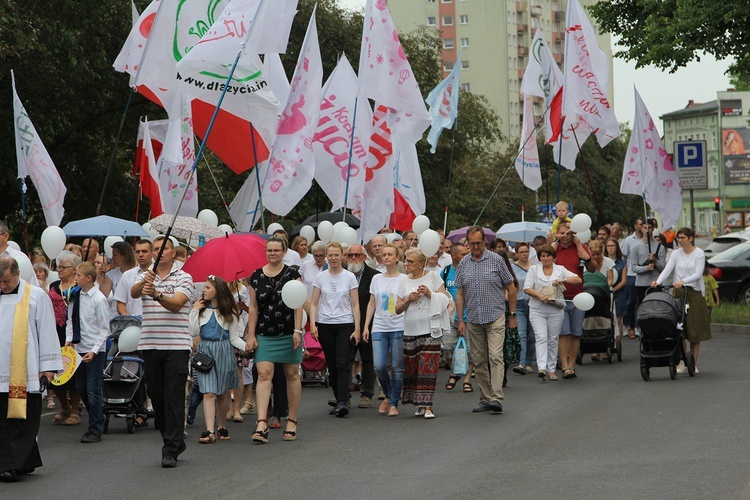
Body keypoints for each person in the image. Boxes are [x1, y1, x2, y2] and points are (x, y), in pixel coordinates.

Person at [131, 236, 194, 468]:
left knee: (173, 398)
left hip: (176, 346)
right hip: (150, 345)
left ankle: (170, 448)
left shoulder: (184, 277)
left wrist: (157, 293)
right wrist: (145, 282)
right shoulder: (145, 274)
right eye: (155, 249)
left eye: (163, 249)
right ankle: (174, 441)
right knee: (156, 397)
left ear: (172, 252)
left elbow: (177, 304)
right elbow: (134, 293)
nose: (159, 253)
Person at [0, 256, 62, 482]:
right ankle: (24, 460)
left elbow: (46, 331)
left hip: (24, 370)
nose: (3, 286)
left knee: (21, 419)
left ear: (17, 274)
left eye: (6, 281)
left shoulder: (36, 296)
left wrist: (48, 368)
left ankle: (9, 465)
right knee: (3, 419)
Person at [246, 236, 304, 442]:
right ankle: (262, 422)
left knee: (291, 375)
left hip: (288, 332)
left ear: (284, 251)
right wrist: (251, 335)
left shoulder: (293, 274)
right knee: (263, 374)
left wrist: (298, 330)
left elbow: (299, 304)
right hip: (265, 333)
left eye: (276, 250)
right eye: (269, 250)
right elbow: (253, 307)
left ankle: (292, 420)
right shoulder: (255, 276)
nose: (272, 253)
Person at [456, 226, 517, 414]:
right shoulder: (463, 263)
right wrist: (460, 320)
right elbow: (459, 293)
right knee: (479, 360)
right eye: (472, 243)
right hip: (474, 318)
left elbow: (512, 288)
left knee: (496, 356)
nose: (476, 246)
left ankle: (497, 398)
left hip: (495, 316)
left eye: (479, 243)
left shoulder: (497, 260)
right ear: (467, 243)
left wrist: (513, 315)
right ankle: (485, 397)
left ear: (485, 242)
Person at [189, 276, 246, 444]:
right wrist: (194, 310)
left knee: (222, 393)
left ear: (218, 291)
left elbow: (234, 337)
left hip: (224, 351)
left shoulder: (230, 312)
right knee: (208, 392)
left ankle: (221, 426)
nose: (204, 290)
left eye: (207, 287)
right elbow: (192, 332)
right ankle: (209, 429)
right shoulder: (201, 310)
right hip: (205, 351)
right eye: (204, 287)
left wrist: (247, 347)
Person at [396, 248, 450, 419]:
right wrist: (407, 300)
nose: (407, 264)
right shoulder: (403, 281)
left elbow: (446, 299)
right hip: (410, 330)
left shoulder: (433, 277)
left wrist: (430, 294)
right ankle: (418, 403)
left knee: (428, 367)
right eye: (406, 261)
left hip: (430, 329)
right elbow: (396, 309)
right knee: (412, 368)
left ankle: (427, 405)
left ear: (421, 263)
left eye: (410, 261)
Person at [309, 242, 360, 417]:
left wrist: (358, 328)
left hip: (345, 323)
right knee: (331, 364)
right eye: (330, 255)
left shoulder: (349, 277)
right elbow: (314, 302)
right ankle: (339, 397)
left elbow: (355, 304)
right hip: (325, 324)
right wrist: (313, 324)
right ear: (326, 257)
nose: (333, 258)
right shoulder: (320, 277)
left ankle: (342, 401)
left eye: (336, 255)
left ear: (342, 256)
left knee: (342, 362)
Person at [652, 227, 712, 374]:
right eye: (678, 238)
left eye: (683, 237)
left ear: (690, 238)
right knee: (680, 328)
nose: (680, 240)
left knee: (694, 329)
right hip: (679, 292)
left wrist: (683, 281)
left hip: (694, 292)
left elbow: (698, 274)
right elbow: (668, 269)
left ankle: (693, 363)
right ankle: (682, 361)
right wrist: (658, 281)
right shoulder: (676, 254)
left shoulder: (698, 253)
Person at [65, 262, 110, 443]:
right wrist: (69, 340)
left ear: (89, 278)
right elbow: (70, 321)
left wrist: (94, 350)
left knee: (93, 390)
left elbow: (103, 328)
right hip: (78, 348)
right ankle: (97, 416)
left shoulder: (99, 299)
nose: (75, 278)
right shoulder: (76, 296)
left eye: (78, 275)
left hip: (94, 350)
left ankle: (94, 428)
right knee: (81, 388)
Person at [523, 245, 582, 380]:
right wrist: (539, 295)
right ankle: (542, 367)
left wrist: (563, 279)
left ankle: (551, 369)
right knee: (541, 337)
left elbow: (577, 279)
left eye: (548, 255)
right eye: (543, 256)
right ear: (539, 258)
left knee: (553, 339)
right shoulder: (534, 269)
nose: (546, 258)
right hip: (538, 308)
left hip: (555, 308)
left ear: (553, 257)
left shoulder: (560, 269)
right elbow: (527, 288)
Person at [363, 244, 405, 416]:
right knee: (379, 366)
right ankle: (388, 395)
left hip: (398, 325)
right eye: (384, 254)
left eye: (390, 254)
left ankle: (394, 402)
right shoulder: (377, 279)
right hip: (379, 326)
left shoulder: (404, 279)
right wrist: (366, 326)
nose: (386, 257)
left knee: (396, 367)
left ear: (397, 257)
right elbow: (372, 303)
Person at [551, 221, 596, 378]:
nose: (565, 237)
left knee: (575, 333)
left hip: (578, 296)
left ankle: (572, 365)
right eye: (562, 233)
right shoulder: (555, 249)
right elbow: (544, 260)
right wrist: (555, 243)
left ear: (574, 234)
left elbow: (592, 268)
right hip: (560, 297)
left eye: (568, 233)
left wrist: (584, 254)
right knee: (563, 333)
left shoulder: (580, 247)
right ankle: (564, 366)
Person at [47, 251, 83, 426]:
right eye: (58, 267)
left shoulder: (80, 286)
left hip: (73, 331)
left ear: (74, 269)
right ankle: (65, 406)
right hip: (54, 331)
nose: (59, 270)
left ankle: (75, 410)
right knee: (54, 373)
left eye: (63, 267)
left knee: (73, 372)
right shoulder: (54, 285)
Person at [347, 244, 379, 409]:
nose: (353, 258)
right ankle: (342, 395)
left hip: (368, 324)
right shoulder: (341, 275)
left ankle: (367, 394)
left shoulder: (374, 276)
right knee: (345, 360)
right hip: (346, 324)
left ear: (364, 257)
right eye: (350, 255)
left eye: (357, 255)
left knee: (368, 359)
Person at [440, 243, 473, 392]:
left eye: (467, 254)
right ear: (453, 255)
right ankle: (455, 370)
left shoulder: (472, 270)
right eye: (463, 254)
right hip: (450, 318)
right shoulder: (446, 271)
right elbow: (439, 291)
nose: (466, 256)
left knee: (472, 352)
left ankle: (467, 379)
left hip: (470, 317)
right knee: (447, 347)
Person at [629, 221, 666, 314]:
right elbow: (633, 268)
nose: (647, 230)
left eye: (649, 227)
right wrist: (646, 268)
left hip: (655, 284)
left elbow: (663, 269)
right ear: (641, 229)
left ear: (653, 229)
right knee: (642, 308)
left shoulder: (660, 247)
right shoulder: (635, 247)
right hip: (641, 284)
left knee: (655, 309)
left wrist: (655, 260)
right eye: (645, 228)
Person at [511, 243, 536, 375]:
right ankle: (521, 362)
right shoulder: (513, 268)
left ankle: (528, 362)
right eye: (521, 252)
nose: (524, 254)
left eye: (526, 251)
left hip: (533, 303)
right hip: (519, 303)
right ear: (516, 254)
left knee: (531, 336)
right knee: (522, 334)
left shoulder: (535, 267)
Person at [115, 239, 153, 316]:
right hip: (134, 322)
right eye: (137, 252)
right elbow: (120, 303)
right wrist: (128, 318)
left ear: (152, 253)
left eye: (144, 251)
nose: (141, 255)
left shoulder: (160, 273)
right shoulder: (127, 275)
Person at [621, 217, 645, 338]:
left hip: (644, 275)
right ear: (635, 226)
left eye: (644, 225)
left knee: (639, 302)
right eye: (640, 225)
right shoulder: (629, 240)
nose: (642, 227)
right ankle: (627, 325)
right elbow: (625, 256)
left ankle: (637, 326)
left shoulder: (647, 240)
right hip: (631, 274)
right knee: (629, 302)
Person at [605, 238, 628, 342]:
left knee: (618, 319)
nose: (610, 248)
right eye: (608, 246)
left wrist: (613, 290)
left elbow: (623, 281)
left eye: (612, 246)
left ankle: (617, 344)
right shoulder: (603, 261)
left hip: (618, 294)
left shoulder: (622, 263)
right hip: (605, 294)